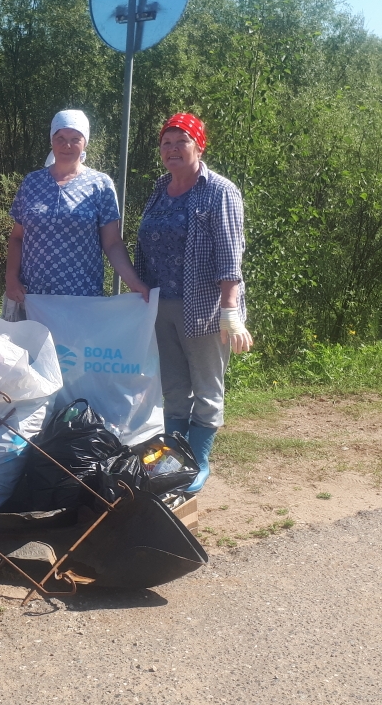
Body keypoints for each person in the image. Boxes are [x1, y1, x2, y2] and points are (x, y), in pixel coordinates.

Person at [133, 112, 252, 493]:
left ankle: (198, 462)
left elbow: (230, 252)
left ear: (198, 146)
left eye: (180, 141)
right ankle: (173, 460)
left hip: (205, 308)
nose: (172, 149)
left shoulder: (219, 190)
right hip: (160, 305)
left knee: (206, 388)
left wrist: (229, 310)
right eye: (166, 143)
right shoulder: (159, 188)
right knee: (173, 389)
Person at [4, 109, 149, 320]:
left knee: (75, 355)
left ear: (85, 143)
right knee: (33, 354)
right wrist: (11, 278)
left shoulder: (100, 184)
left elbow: (112, 243)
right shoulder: (31, 183)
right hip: (33, 299)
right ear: (51, 140)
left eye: (75, 139)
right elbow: (17, 237)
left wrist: (133, 282)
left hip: (82, 301)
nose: (67, 145)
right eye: (60, 138)